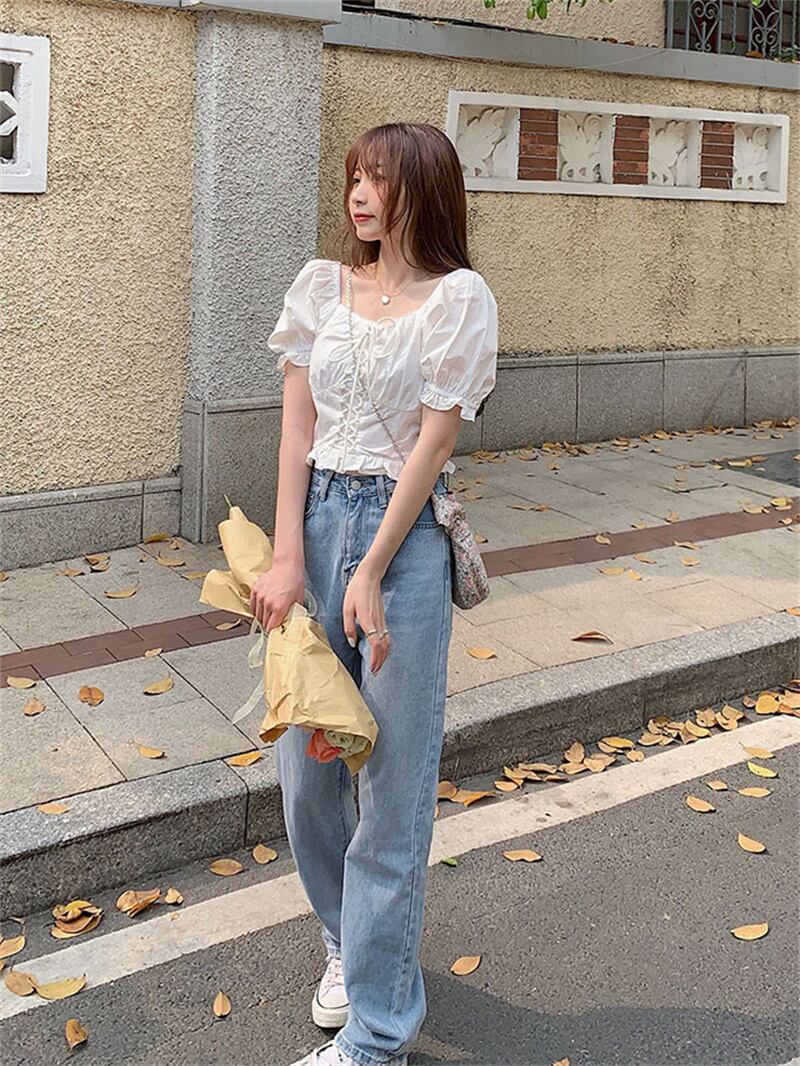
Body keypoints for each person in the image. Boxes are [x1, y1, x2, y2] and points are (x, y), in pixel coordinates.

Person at [251, 122, 498, 1066]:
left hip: (403, 547)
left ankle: (377, 1035)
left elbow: (434, 443)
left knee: (390, 789)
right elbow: (295, 432)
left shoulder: (458, 300)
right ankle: (345, 943)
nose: (358, 193)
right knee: (307, 778)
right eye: (354, 175)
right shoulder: (322, 289)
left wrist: (368, 570)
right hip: (316, 527)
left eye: (379, 179)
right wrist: (288, 558)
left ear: (421, 190)